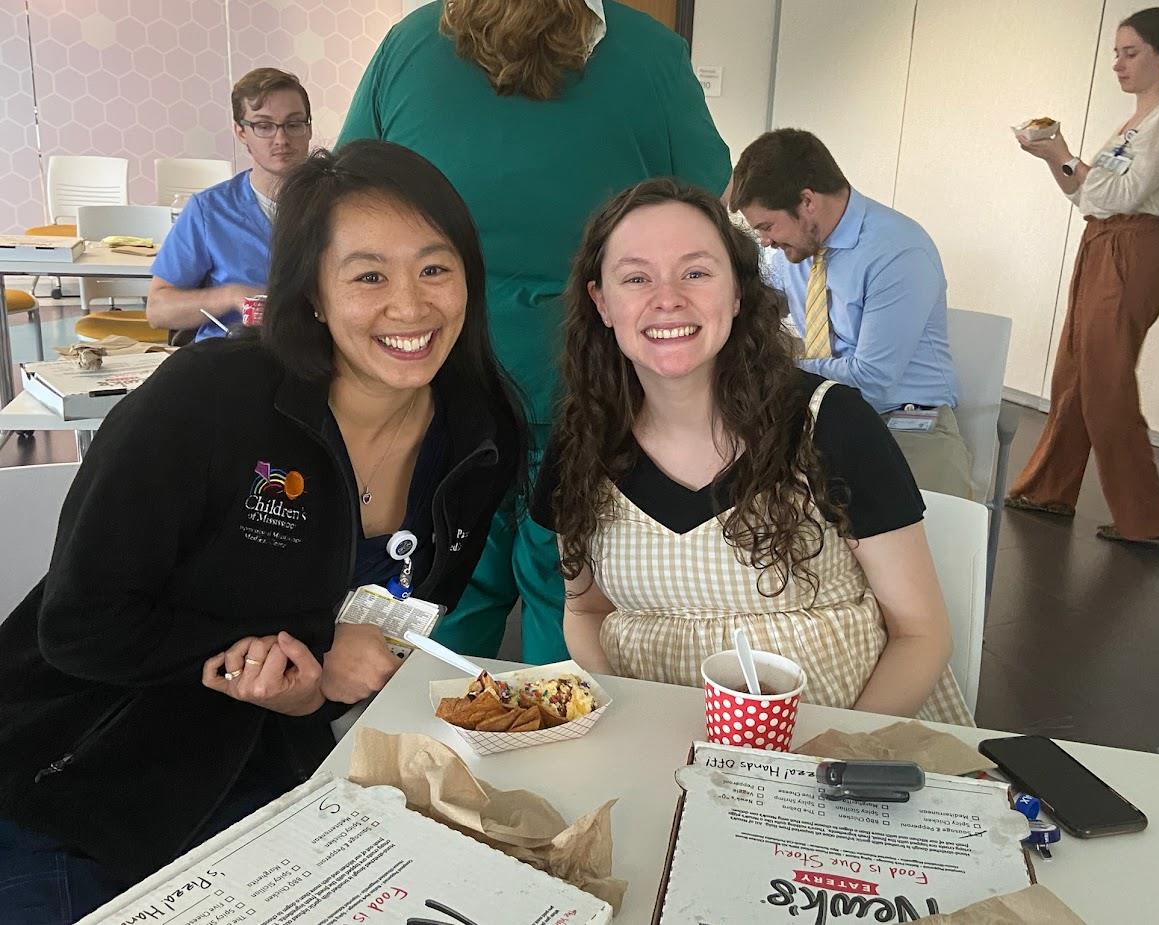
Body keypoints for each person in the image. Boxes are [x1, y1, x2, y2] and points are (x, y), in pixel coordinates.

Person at [0, 140, 524, 920]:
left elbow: (396, 626)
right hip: (81, 779)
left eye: (435, 268)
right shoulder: (209, 399)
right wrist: (315, 646)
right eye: (369, 274)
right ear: (312, 291)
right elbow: (81, 626)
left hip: (276, 775)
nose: (410, 306)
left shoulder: (483, 433)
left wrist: (312, 687)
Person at [337, 0, 730, 664]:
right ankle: (560, 746)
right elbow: (698, 201)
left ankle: (437, 750)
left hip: (443, 370)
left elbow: (348, 201)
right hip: (588, 376)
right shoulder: (651, 55)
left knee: (445, 591)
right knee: (571, 595)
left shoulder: (408, 47)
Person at [531, 177, 972, 724]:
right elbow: (587, 608)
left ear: (738, 292)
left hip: (850, 753)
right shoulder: (580, 443)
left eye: (696, 272)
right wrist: (634, 723)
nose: (667, 299)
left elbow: (921, 634)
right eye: (636, 278)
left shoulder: (829, 424)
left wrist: (824, 761)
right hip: (662, 752)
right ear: (601, 301)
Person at [1005, 7, 1159, 545]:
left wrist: (1065, 153)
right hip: (1106, 241)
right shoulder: (1137, 120)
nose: (1118, 63)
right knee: (1075, 369)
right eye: (1116, 52)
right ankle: (1048, 488)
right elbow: (1089, 196)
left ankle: (1145, 518)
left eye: (1130, 52)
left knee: (1107, 380)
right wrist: (1052, 158)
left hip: (1134, 247)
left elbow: (1120, 196)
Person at [730, 129, 973, 500]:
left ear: (807, 202)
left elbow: (872, 381)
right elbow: (755, 306)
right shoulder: (792, 248)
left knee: (916, 537)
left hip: (903, 420)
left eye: (766, 226)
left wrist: (780, 363)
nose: (765, 241)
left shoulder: (897, 253)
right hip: (819, 411)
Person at [146, 67, 313, 342]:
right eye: (264, 126)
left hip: (318, 359)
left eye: (293, 124)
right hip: (232, 358)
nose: (281, 139)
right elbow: (158, 310)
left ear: (309, 128)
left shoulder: (336, 207)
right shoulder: (209, 211)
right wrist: (230, 296)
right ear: (241, 132)